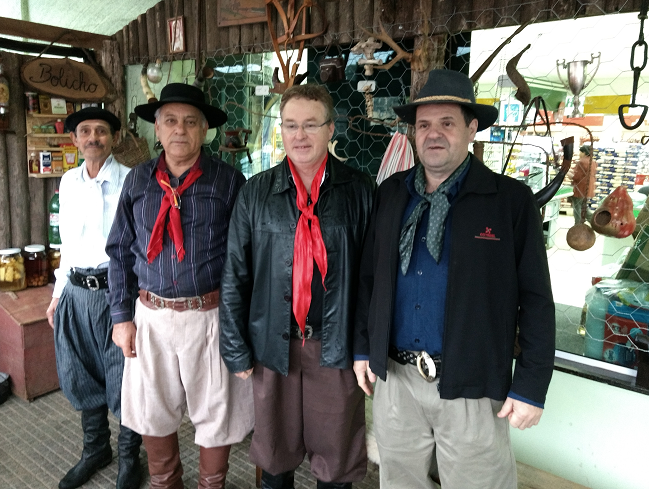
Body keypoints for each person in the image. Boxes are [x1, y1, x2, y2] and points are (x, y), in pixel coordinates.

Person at [353, 69, 556, 489]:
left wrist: (531, 386)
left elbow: (536, 299)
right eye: (424, 124)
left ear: (471, 128)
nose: (433, 134)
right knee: (399, 483)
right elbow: (369, 280)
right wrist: (362, 349)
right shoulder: (391, 194)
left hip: (472, 384)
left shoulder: (509, 201)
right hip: (396, 379)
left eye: (447, 123)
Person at [219, 84, 374, 489]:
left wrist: (365, 348)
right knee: (274, 460)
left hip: (335, 347)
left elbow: (371, 279)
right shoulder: (256, 193)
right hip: (273, 344)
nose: (299, 135)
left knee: (337, 464)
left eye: (310, 125)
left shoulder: (359, 190)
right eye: (290, 125)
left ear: (331, 129)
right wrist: (234, 347)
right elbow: (235, 275)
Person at [106, 83, 253, 489]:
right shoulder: (137, 181)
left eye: (190, 122)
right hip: (150, 318)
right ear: (157, 128)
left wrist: (240, 324)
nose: (180, 130)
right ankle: (164, 483)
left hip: (210, 316)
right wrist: (121, 318)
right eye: (170, 120)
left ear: (204, 129)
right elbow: (119, 252)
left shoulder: (228, 181)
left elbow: (245, 257)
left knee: (217, 411)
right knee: (152, 410)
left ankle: (212, 484)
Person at [46, 107, 142, 489]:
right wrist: (58, 294)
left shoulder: (132, 180)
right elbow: (66, 245)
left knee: (124, 377)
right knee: (80, 372)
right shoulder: (68, 182)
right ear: (74, 140)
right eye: (84, 131)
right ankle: (96, 449)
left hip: (116, 294)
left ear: (114, 138)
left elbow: (138, 246)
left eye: (101, 131)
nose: (93, 138)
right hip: (75, 292)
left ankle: (129, 458)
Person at [568, 145, 596, 224]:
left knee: (577, 209)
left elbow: (576, 177)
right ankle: (595, 223)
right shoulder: (593, 162)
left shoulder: (581, 162)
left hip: (580, 189)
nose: (579, 154)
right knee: (584, 208)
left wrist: (566, 173)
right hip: (588, 189)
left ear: (584, 152)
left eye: (580, 152)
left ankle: (578, 226)